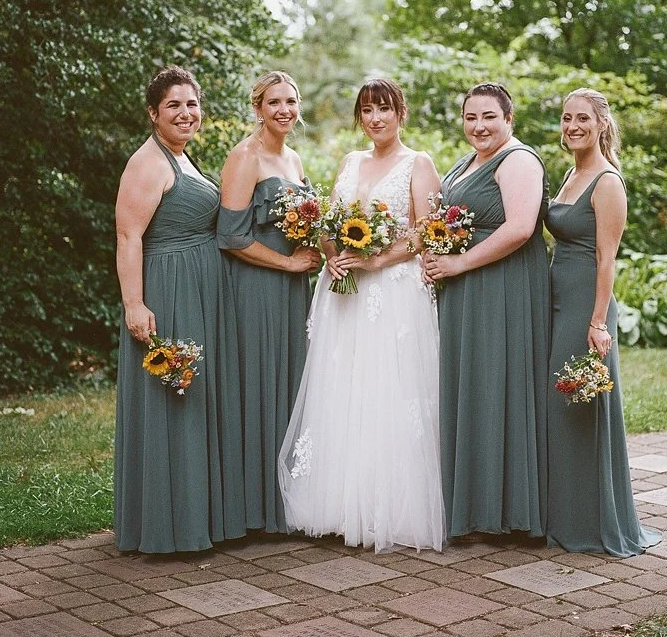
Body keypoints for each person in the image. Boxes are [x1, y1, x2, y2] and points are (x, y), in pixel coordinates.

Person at [279, 78, 446, 553]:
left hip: (392, 294)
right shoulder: (351, 162)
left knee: (389, 389)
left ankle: (389, 508)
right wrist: (333, 254)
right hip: (345, 291)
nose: (376, 118)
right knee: (344, 389)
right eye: (368, 110)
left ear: (401, 113)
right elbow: (331, 220)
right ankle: (337, 504)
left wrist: (376, 260)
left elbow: (424, 231)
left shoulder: (418, 163)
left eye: (385, 109)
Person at [114, 66, 245, 553]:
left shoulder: (181, 158)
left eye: (191, 104)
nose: (186, 113)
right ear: (153, 113)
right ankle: (170, 527)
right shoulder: (147, 163)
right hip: (167, 290)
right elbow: (128, 235)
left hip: (199, 288)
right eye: (174, 105)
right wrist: (135, 303)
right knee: (174, 396)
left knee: (193, 395)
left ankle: (195, 517)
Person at [425, 83, 549, 540]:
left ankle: (506, 510)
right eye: (470, 117)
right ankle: (474, 505)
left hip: (503, 286)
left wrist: (457, 262)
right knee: (472, 384)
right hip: (467, 288)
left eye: (489, 117)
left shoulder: (518, 160)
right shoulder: (467, 162)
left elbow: (519, 228)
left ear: (508, 119)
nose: (478, 126)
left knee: (498, 383)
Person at [545, 88, 661, 556]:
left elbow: (606, 258)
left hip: (585, 307)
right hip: (557, 299)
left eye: (583, 119)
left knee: (580, 406)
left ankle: (591, 524)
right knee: (560, 405)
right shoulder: (573, 173)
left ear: (601, 125)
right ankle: (563, 513)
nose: (573, 126)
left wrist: (597, 322)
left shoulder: (607, 182)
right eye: (567, 118)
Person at [218, 72, 321, 534]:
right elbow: (232, 237)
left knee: (290, 382)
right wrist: (288, 264)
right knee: (258, 383)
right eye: (274, 102)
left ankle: (285, 502)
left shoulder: (294, 158)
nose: (284, 110)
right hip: (258, 286)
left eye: (291, 101)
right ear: (258, 108)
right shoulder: (244, 158)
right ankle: (252, 509)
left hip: (292, 289)